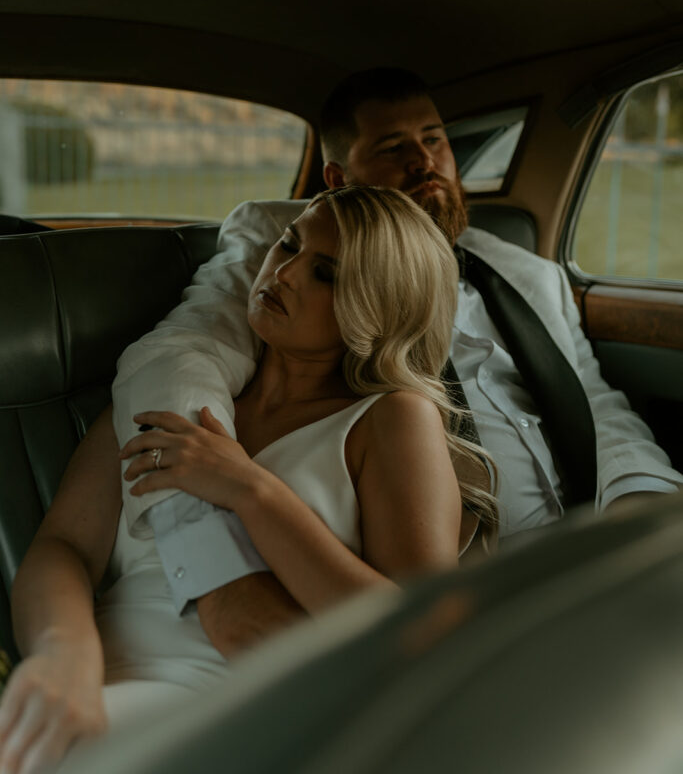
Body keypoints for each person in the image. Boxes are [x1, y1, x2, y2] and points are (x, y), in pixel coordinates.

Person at [110, 67, 682, 652]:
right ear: (338, 179)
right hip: (474, 586)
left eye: (434, 139)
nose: (425, 161)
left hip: (594, 557)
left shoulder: (529, 274)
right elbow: (184, 356)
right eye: (393, 148)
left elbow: (600, 410)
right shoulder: (281, 243)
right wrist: (212, 559)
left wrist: (648, 525)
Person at [0, 186, 494, 774]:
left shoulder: (390, 416)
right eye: (288, 243)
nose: (282, 272)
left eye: (324, 273)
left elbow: (421, 628)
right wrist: (62, 656)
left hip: (254, 703)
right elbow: (64, 549)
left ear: (374, 308)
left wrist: (251, 491)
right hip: (97, 681)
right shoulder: (174, 390)